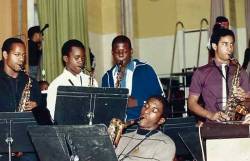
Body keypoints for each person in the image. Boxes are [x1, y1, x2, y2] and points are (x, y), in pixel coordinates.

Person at [0, 37, 52, 161]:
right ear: (5, 55)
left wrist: (37, 107)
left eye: (23, 55)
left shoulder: (31, 82)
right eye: (17, 55)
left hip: (26, 147)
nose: (22, 59)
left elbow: (46, 120)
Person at [188, 28, 249, 123]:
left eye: (231, 44)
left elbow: (248, 101)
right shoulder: (201, 72)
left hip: (239, 124)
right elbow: (191, 103)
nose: (229, 48)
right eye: (225, 44)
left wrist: (245, 97)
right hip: (213, 127)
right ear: (214, 46)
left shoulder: (240, 71)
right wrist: (210, 115)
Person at [102, 35, 165, 120]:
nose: (121, 55)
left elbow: (161, 99)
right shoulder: (107, 77)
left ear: (131, 52)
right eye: (117, 52)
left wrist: (137, 102)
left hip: (142, 123)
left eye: (124, 51)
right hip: (117, 125)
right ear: (112, 53)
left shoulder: (145, 70)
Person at [47, 39, 98, 120]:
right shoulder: (55, 85)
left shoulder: (91, 81)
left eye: (83, 58)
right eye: (77, 58)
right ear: (66, 59)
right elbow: (53, 116)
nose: (81, 61)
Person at [115, 95, 176, 161]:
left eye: (154, 110)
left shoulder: (165, 143)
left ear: (161, 120)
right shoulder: (123, 138)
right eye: (146, 106)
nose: (146, 111)